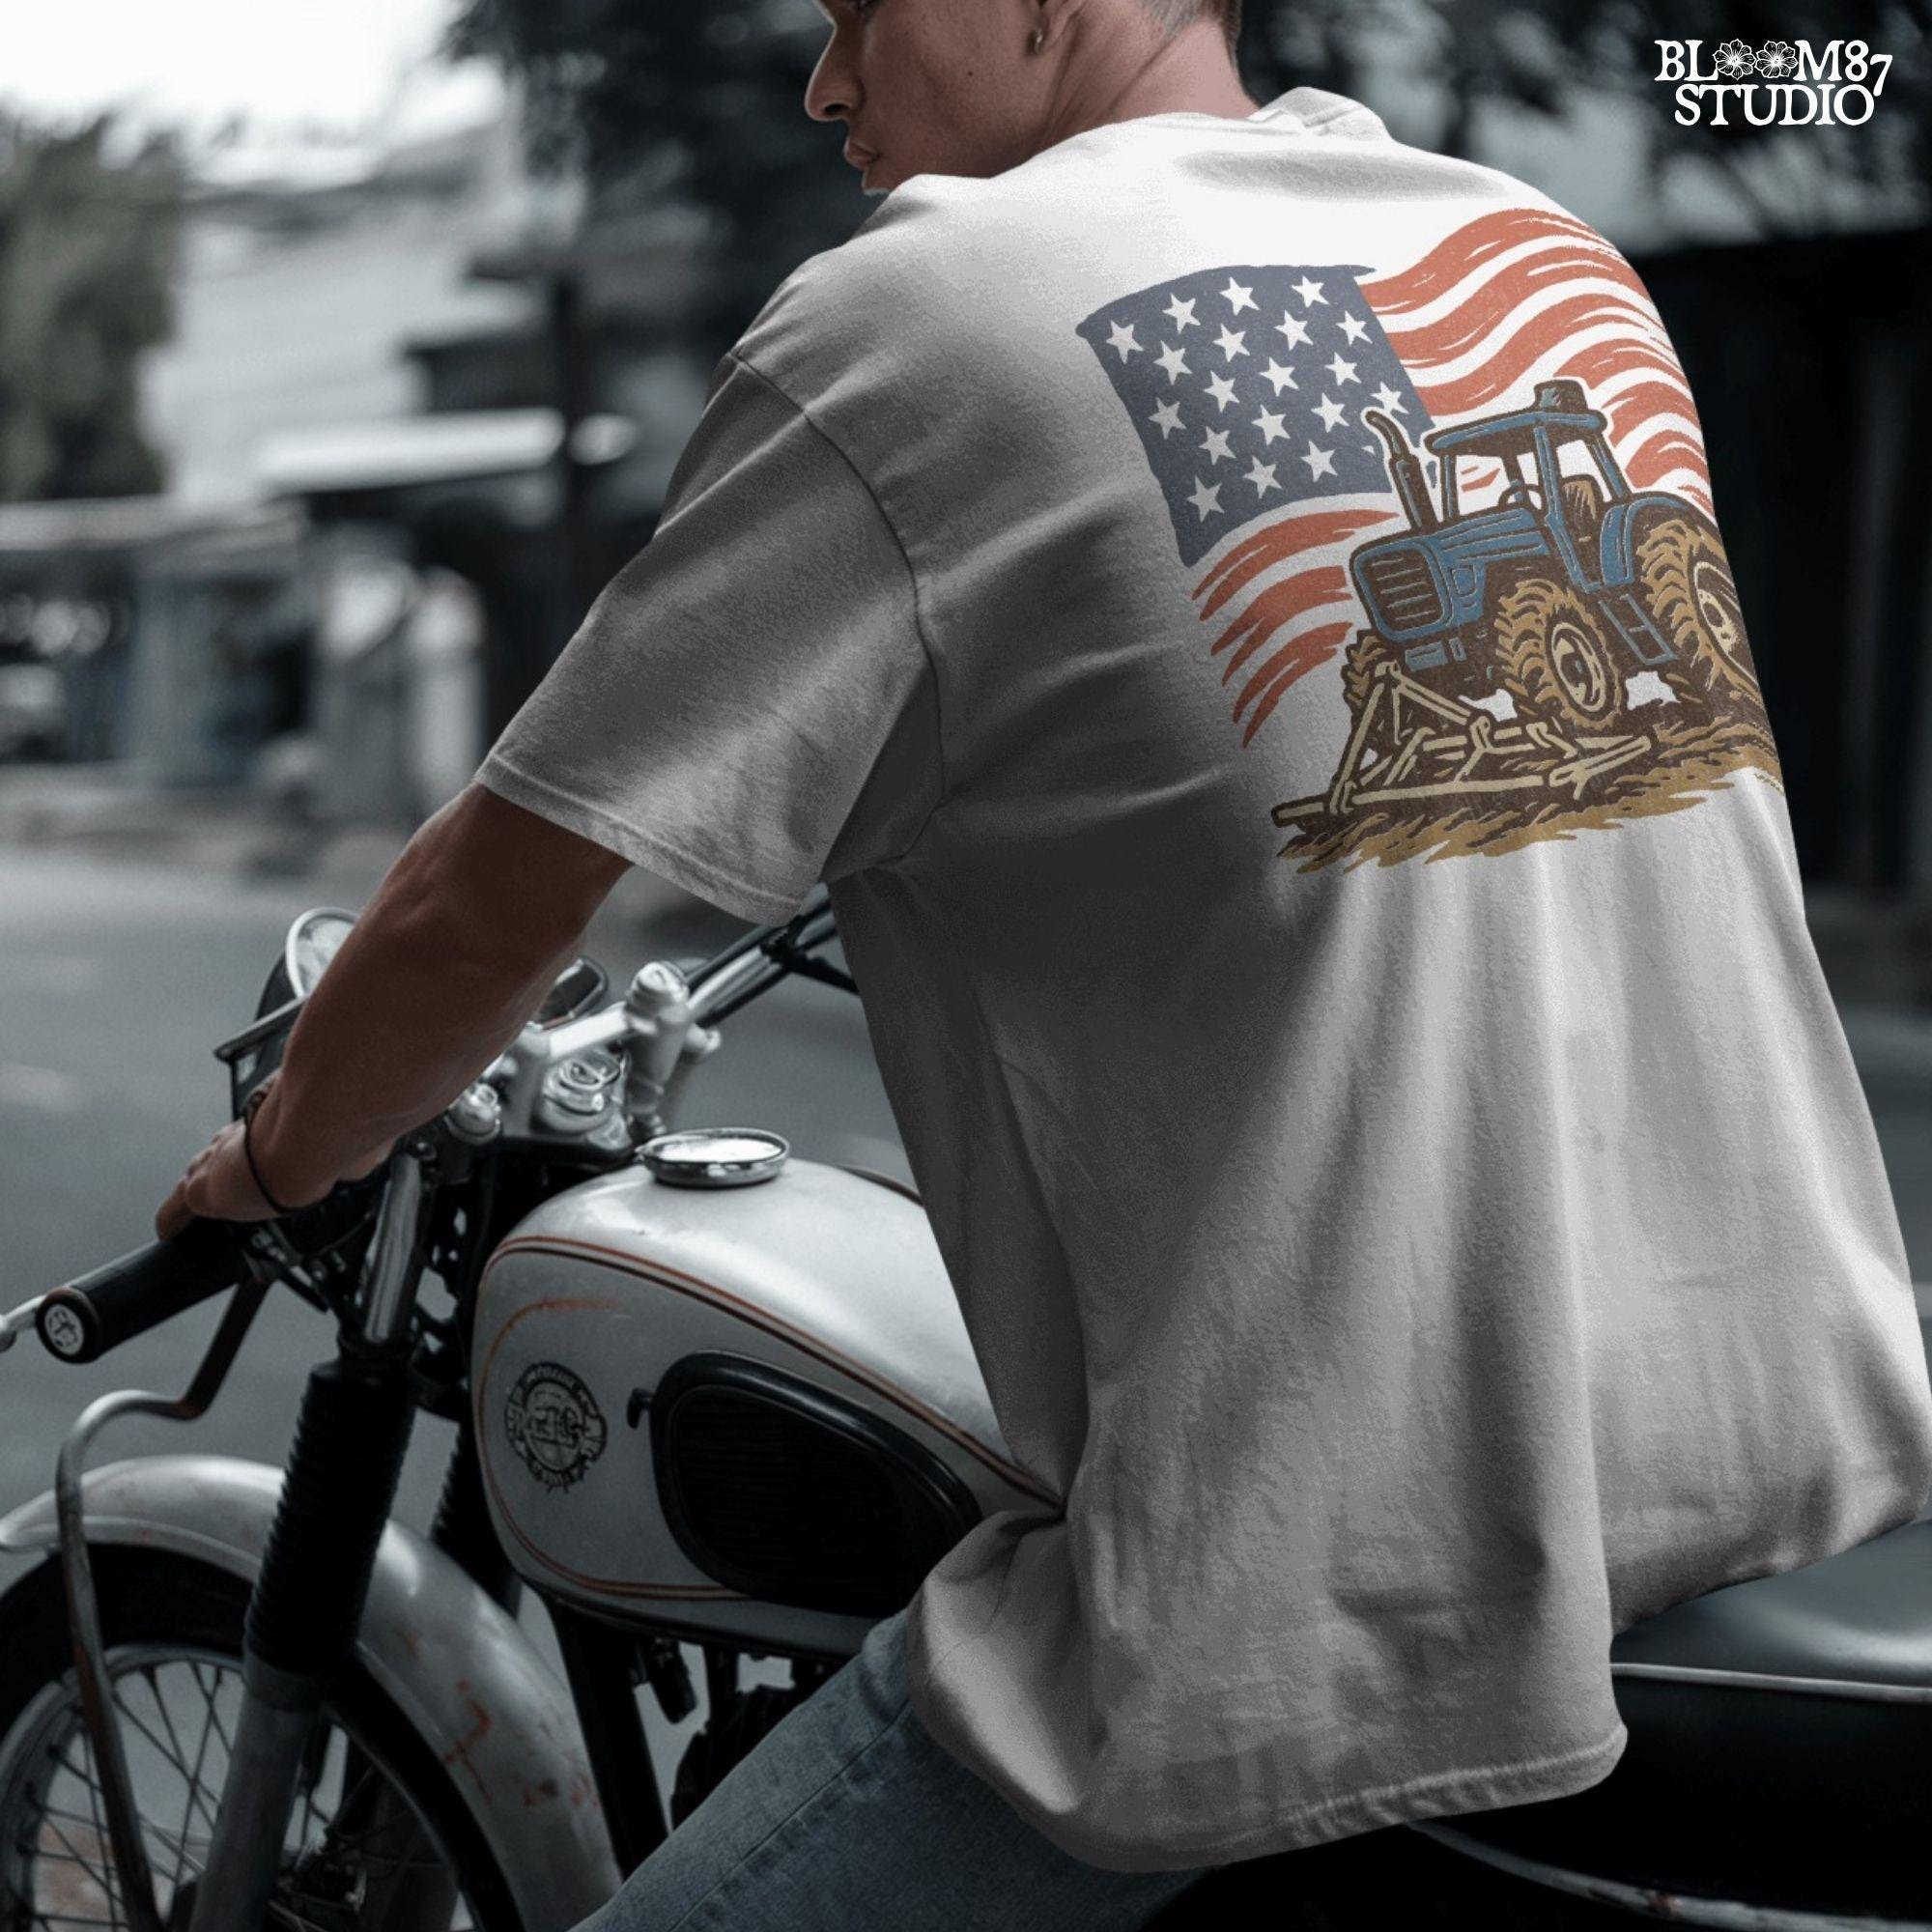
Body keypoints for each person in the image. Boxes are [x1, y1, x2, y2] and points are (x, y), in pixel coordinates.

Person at [156, 0, 1932, 1924]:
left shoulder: (922, 320)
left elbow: (487, 906)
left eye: (854, 14)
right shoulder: (1544, 258)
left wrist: (273, 1161)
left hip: (1316, 1588)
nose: (828, 84)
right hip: (1733, 1447)